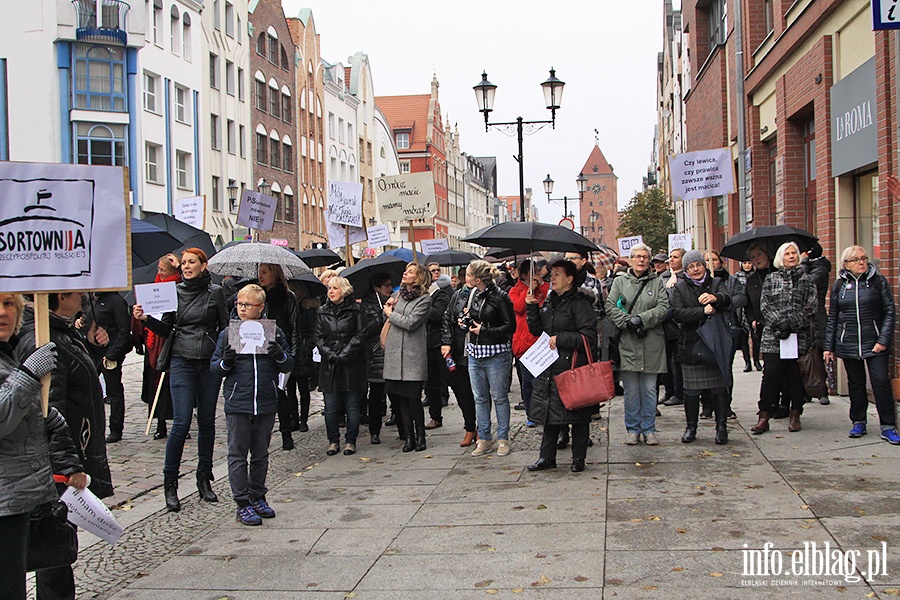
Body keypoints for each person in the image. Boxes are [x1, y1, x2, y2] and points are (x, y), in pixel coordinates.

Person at [133, 247, 229, 512]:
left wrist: (222, 356)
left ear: (203, 265)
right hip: (182, 362)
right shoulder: (173, 293)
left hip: (208, 364)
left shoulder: (216, 293)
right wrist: (146, 320)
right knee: (182, 422)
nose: (186, 267)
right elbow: (166, 328)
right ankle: (170, 481)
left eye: (191, 262)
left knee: (207, 421)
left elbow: (225, 328)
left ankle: (204, 477)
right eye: (184, 263)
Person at [0, 293, 73, 600]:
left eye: (7, 304)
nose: (2, 312)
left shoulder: (8, 353)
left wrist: (40, 417)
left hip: (13, 496)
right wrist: (28, 376)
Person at [211, 284, 294, 526]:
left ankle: (258, 495)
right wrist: (226, 361)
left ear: (260, 307)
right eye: (239, 304)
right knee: (237, 454)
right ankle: (242, 502)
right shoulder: (228, 333)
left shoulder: (274, 332)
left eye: (248, 304)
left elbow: (289, 365)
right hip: (239, 400)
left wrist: (279, 354)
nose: (242, 308)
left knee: (260, 453)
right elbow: (215, 368)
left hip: (265, 400)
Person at [525, 259, 598, 472]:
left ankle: (578, 459)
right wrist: (531, 307)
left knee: (577, 415)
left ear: (570, 279)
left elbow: (589, 336)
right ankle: (546, 457)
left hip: (572, 366)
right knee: (549, 414)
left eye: (557, 274)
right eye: (551, 274)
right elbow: (537, 331)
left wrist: (561, 339)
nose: (552, 278)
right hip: (549, 366)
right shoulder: (549, 301)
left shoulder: (580, 302)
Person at [824, 246, 898, 444]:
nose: (862, 262)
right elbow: (833, 317)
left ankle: (888, 425)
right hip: (848, 343)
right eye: (856, 259)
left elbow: (890, 311)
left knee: (880, 381)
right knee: (855, 384)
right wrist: (828, 346)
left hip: (874, 343)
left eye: (864, 258)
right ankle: (858, 421)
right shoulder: (840, 285)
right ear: (846, 264)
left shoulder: (877, 282)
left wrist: (883, 340)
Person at [606, 244, 669, 445]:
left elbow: (663, 307)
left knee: (650, 389)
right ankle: (633, 428)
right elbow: (610, 305)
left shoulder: (657, 282)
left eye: (644, 257)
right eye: (637, 256)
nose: (641, 260)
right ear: (631, 259)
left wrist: (642, 319)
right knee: (632, 390)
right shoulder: (619, 282)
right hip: (628, 342)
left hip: (651, 342)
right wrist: (628, 322)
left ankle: (649, 428)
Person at [750, 242, 817, 435]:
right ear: (781, 257)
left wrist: (792, 323)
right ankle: (764, 416)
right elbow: (765, 305)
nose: (791, 256)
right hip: (774, 335)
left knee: (795, 376)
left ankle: (795, 413)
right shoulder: (771, 278)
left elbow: (811, 307)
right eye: (787, 253)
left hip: (797, 335)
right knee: (770, 375)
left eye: (794, 253)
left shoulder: (807, 280)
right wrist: (779, 324)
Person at [672, 251, 732, 444]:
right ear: (686, 270)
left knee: (719, 389)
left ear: (704, 266)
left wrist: (716, 299)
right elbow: (677, 313)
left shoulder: (715, 283)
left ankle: (721, 427)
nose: (695, 269)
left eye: (698, 265)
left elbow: (728, 299)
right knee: (691, 391)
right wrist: (701, 312)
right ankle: (691, 427)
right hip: (691, 344)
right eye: (690, 267)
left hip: (714, 343)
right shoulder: (680, 288)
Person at [462, 260, 516, 457]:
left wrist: (484, 330)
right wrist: (466, 322)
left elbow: (510, 326)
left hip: (496, 352)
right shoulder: (474, 294)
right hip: (476, 352)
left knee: (499, 397)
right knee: (480, 397)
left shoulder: (500, 296)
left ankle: (503, 438)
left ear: (478, 278)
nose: (465, 278)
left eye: (468, 275)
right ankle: (484, 438)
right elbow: (475, 317)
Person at [383, 262, 432, 452]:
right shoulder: (398, 296)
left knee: (413, 398)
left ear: (418, 278)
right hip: (395, 355)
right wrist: (388, 308)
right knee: (400, 399)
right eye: (405, 271)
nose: (405, 274)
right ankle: (408, 436)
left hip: (412, 355)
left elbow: (411, 323)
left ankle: (421, 435)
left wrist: (391, 314)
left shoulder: (424, 300)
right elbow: (389, 318)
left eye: (410, 272)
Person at [316, 276, 366, 456]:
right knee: (330, 406)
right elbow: (319, 337)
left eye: (334, 288)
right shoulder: (322, 311)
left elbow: (359, 335)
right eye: (329, 288)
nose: (330, 291)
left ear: (343, 291)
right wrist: (330, 354)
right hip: (329, 365)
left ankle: (350, 441)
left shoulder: (356, 310)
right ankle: (333, 441)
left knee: (352, 405)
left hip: (351, 364)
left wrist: (345, 354)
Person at [132, 255, 181, 439]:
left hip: (169, 342)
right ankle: (159, 422)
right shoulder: (153, 288)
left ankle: (177, 420)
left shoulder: (178, 288)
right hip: (153, 343)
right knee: (153, 383)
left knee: (170, 384)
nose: (159, 273)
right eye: (158, 269)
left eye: (163, 270)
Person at [257, 263, 302, 451]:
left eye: (264, 272)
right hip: (259, 349)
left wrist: (292, 354)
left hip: (280, 349)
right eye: (259, 273)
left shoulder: (287, 297)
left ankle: (286, 432)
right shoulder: (256, 296)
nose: (261, 276)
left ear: (275, 274)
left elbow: (294, 326)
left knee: (282, 394)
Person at [81, 289, 131, 443]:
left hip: (110, 352)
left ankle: (116, 428)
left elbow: (124, 330)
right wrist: (81, 321)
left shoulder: (116, 301)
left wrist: (112, 354)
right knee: (87, 389)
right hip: (92, 352)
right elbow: (89, 320)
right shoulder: (92, 299)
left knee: (113, 391)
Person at [704, 249, 746, 420]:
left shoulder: (731, 280)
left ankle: (726, 405)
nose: (710, 263)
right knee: (706, 368)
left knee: (726, 368)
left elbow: (741, 298)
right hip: (707, 328)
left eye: (714, 259)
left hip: (726, 327)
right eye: (706, 260)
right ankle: (707, 405)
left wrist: (723, 302)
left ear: (720, 262)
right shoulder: (702, 282)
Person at [510, 260, 548, 426]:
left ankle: (544, 411)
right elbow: (517, 308)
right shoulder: (515, 290)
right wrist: (528, 292)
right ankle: (531, 413)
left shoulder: (543, 288)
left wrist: (540, 286)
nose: (538, 274)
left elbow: (549, 298)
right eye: (535, 272)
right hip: (524, 342)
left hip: (541, 341)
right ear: (526, 274)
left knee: (542, 380)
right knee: (527, 381)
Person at [442, 274, 478, 446]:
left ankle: (482, 428)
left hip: (479, 350)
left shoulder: (487, 295)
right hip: (459, 350)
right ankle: (470, 427)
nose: (469, 278)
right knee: (461, 391)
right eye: (468, 275)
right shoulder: (458, 295)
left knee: (478, 393)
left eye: (472, 275)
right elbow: (447, 319)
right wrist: (447, 342)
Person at [360, 273, 392, 444]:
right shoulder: (367, 306)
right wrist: (382, 316)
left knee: (394, 392)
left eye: (390, 285)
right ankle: (374, 431)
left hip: (390, 352)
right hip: (375, 353)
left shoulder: (391, 302)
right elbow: (366, 329)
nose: (389, 288)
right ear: (376, 288)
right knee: (376, 394)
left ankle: (402, 426)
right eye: (386, 285)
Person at [800, 242, 833, 404]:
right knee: (805, 354)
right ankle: (806, 390)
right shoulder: (812, 266)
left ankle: (822, 389)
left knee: (818, 352)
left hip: (816, 316)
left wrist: (804, 264)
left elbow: (807, 283)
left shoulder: (820, 268)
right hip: (805, 316)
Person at [287, 281, 319, 432]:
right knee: (290, 389)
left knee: (303, 388)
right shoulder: (288, 307)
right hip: (291, 350)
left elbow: (313, 332)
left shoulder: (309, 309)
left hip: (303, 353)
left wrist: (307, 348)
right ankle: (294, 418)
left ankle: (303, 419)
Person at [424, 262, 451, 429]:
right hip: (423, 345)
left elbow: (438, 315)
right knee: (431, 383)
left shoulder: (439, 295)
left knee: (451, 379)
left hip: (439, 344)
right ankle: (435, 416)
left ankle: (471, 422)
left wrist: (423, 303)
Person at [659, 247, 685, 406]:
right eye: (670, 257)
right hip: (665, 326)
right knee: (665, 361)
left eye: (675, 257)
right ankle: (669, 391)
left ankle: (679, 392)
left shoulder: (685, 278)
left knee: (678, 361)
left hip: (680, 325)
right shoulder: (663, 278)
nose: (672, 260)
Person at [744, 243, 772, 372]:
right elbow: (748, 303)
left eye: (759, 255)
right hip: (761, 325)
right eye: (753, 257)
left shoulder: (775, 274)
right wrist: (752, 320)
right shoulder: (752, 280)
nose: (757, 259)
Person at [734, 260, 755, 372]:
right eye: (745, 263)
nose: (747, 265)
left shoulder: (755, 277)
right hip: (741, 310)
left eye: (749, 263)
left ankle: (756, 360)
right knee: (743, 337)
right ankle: (747, 362)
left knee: (756, 337)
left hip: (753, 308)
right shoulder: (737, 277)